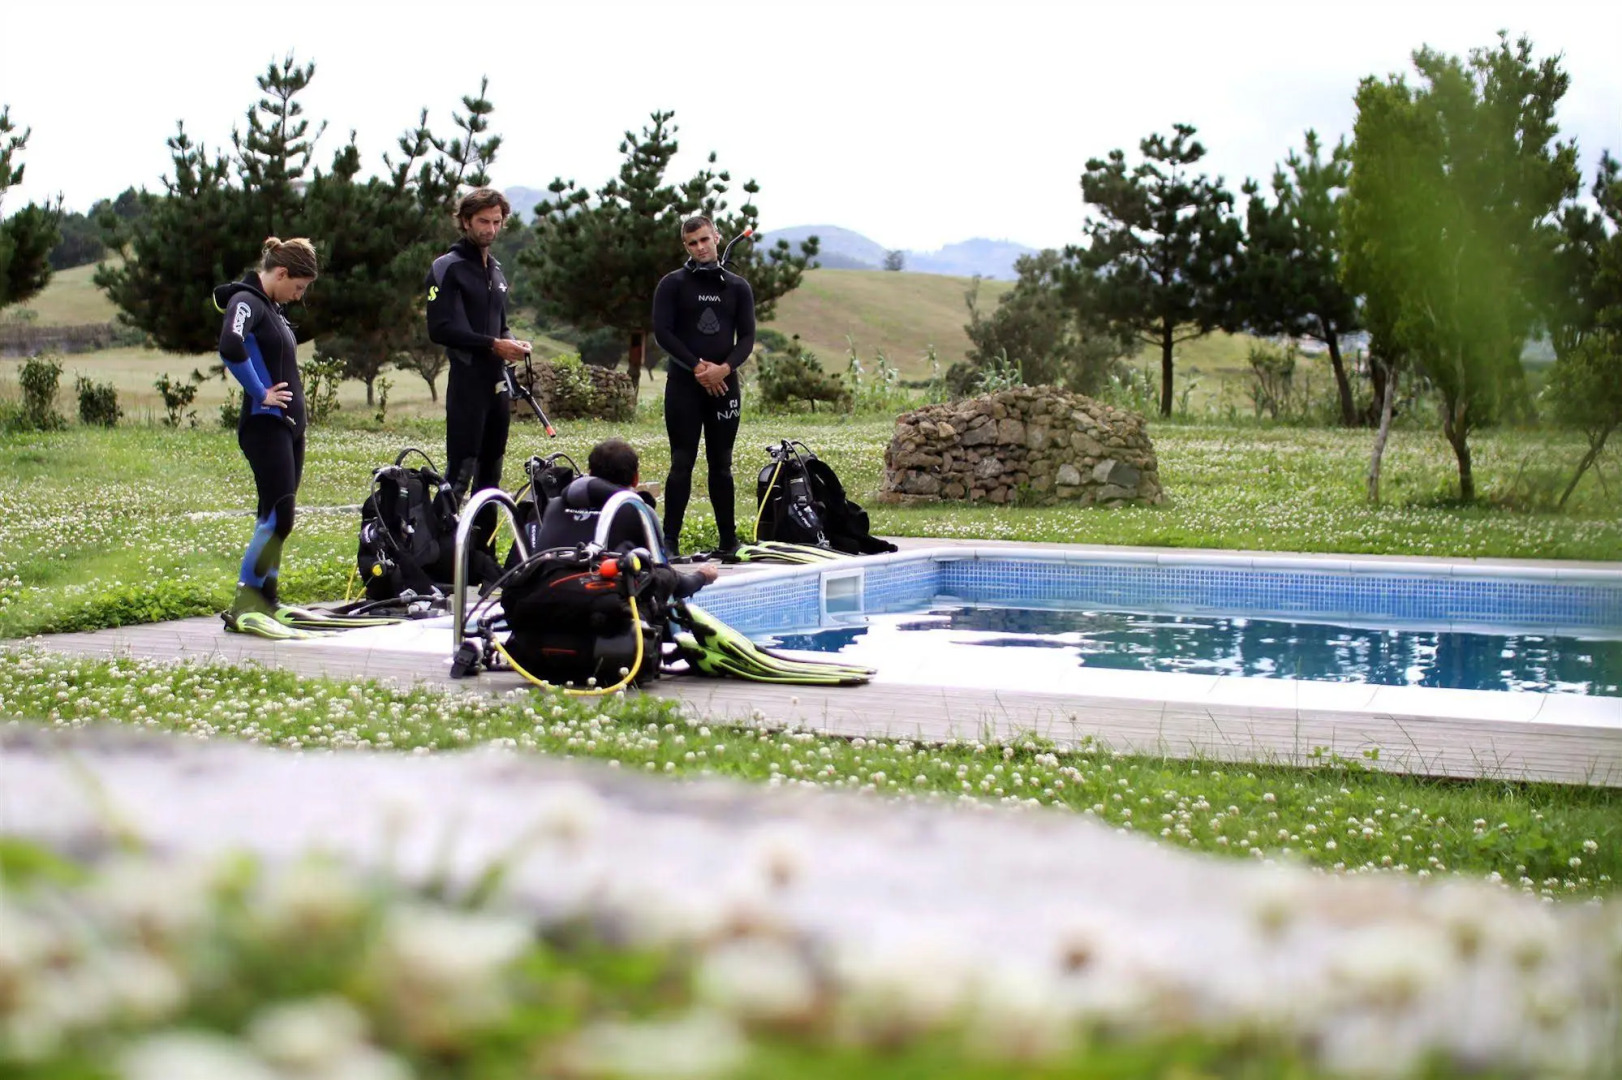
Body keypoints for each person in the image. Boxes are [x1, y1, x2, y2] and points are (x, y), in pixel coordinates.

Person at [215, 237, 320, 639]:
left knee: (275, 517)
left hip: (289, 428)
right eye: (298, 286)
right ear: (280, 273)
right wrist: (261, 392)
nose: (299, 295)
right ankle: (245, 602)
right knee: (279, 515)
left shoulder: (272, 308)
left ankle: (267, 598)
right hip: (265, 425)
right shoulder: (247, 301)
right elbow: (230, 344)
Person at [425, 187, 532, 524]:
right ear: (465, 221)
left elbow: (500, 324)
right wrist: (493, 345)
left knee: (491, 476)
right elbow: (440, 329)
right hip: (467, 382)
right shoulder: (448, 268)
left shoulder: (496, 270)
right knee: (460, 474)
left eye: (497, 222)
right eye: (483, 221)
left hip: (497, 384)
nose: (491, 229)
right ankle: (439, 555)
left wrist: (513, 342)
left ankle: (480, 558)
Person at [651, 215, 756, 556]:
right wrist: (698, 368)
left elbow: (748, 338)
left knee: (721, 464)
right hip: (684, 384)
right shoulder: (672, 284)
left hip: (725, 387)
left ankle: (728, 540)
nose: (700, 247)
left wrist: (723, 369)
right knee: (681, 462)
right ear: (686, 246)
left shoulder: (737, 287)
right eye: (692, 243)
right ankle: (669, 542)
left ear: (716, 237)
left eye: (705, 240)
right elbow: (663, 333)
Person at [533, 438, 718, 599]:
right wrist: (701, 576)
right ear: (636, 479)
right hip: (604, 612)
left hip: (546, 603)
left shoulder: (555, 506)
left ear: (590, 474)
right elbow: (666, 582)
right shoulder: (637, 511)